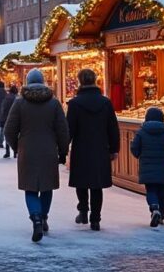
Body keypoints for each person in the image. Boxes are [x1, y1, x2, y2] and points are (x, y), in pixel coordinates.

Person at [4, 69, 69, 243]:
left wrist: (17, 146)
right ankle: (44, 216)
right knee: (47, 187)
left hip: (28, 150)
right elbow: (63, 130)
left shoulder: (20, 103)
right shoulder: (54, 103)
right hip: (49, 150)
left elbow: (9, 130)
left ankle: (36, 218)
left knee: (30, 188)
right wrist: (63, 151)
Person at [65, 69, 119, 231]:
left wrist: (63, 148)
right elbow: (112, 128)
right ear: (95, 80)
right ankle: (95, 219)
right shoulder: (105, 103)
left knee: (81, 182)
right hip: (100, 148)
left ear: (80, 81)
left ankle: (83, 211)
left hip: (81, 148)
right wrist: (114, 148)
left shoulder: (75, 104)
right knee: (97, 185)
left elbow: (69, 130)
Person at [129, 107, 164, 228]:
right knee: (162, 192)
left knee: (151, 190)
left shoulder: (141, 133)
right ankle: (162, 213)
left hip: (147, 168)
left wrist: (139, 154)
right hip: (163, 168)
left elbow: (134, 149)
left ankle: (154, 208)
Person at [0, 85, 18, 158]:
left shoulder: (6, 98)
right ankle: (15, 152)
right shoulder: (17, 99)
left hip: (6, 118)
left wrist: (2, 118)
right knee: (16, 135)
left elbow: (3, 109)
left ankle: (7, 152)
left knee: (7, 134)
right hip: (15, 119)